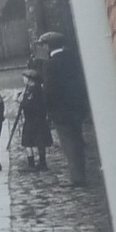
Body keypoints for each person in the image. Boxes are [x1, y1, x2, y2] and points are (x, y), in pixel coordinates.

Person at [37, 30, 89, 185]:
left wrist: (48, 110)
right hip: (77, 107)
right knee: (77, 140)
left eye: (43, 45)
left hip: (61, 111)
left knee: (69, 144)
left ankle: (77, 178)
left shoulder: (50, 64)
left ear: (48, 46)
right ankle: (81, 173)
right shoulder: (72, 58)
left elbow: (50, 91)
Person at [17, 68, 53, 170]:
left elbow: (27, 105)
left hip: (32, 119)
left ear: (29, 79)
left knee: (28, 142)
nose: (23, 79)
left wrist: (18, 99)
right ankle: (42, 162)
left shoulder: (32, 91)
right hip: (40, 119)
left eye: (24, 78)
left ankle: (31, 164)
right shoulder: (38, 89)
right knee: (40, 142)